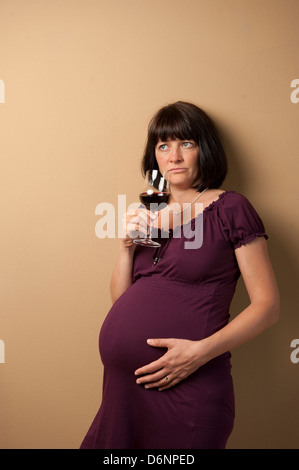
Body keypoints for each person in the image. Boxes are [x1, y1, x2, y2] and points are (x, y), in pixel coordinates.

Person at [80, 101, 280, 449]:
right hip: (123, 392)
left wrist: (199, 353)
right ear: (154, 156)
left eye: (186, 143)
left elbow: (267, 306)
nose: (174, 156)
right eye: (163, 145)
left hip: (189, 388)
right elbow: (121, 302)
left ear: (205, 150)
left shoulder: (231, 208)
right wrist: (126, 247)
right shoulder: (147, 210)